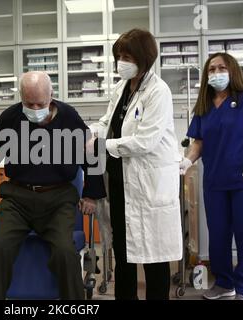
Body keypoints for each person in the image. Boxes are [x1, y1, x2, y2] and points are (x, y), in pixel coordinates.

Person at [0, 71, 106, 300]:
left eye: (40, 103)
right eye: (29, 103)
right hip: (17, 200)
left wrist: (91, 196)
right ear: (21, 98)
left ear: (51, 96)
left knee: (65, 252)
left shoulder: (69, 117)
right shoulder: (10, 118)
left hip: (58, 200)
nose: (35, 109)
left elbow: (92, 156)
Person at [88, 29, 182, 300]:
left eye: (127, 56)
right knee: (123, 254)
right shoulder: (120, 88)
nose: (121, 62)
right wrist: (92, 132)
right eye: (119, 56)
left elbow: (145, 141)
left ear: (144, 58)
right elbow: (108, 122)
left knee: (155, 259)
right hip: (120, 183)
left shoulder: (158, 92)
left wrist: (102, 145)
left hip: (149, 185)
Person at [180, 52, 243, 300]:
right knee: (217, 234)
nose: (216, 73)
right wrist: (186, 160)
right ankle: (224, 283)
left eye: (221, 68)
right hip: (216, 180)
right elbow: (198, 143)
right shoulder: (204, 106)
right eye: (211, 69)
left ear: (233, 71)